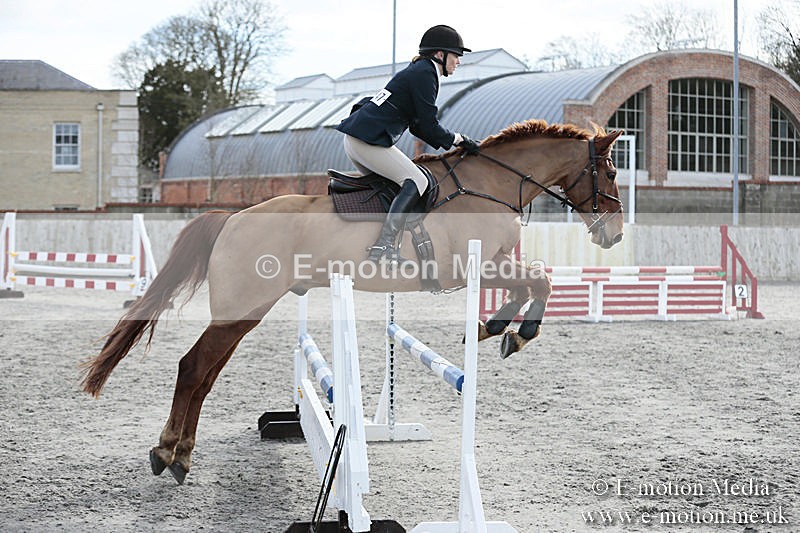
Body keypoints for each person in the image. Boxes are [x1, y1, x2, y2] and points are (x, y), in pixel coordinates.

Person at [337, 24, 480, 264]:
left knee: (394, 188)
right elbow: (428, 125)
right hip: (367, 141)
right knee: (417, 181)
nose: (458, 62)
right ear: (439, 54)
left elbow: (418, 126)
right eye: (456, 56)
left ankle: (378, 243)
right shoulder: (426, 73)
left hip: (357, 140)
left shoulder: (419, 70)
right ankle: (383, 247)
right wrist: (460, 139)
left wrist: (451, 139)